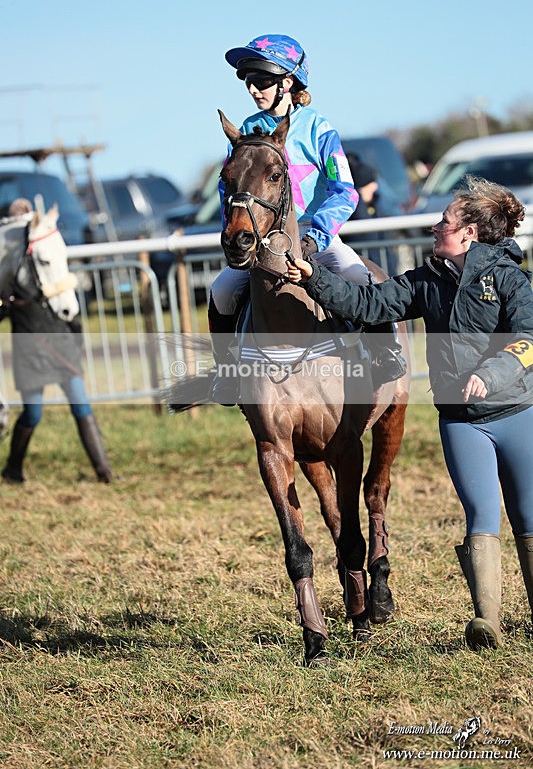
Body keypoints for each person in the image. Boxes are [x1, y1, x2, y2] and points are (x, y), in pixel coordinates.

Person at [285, 176, 533, 650]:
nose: (434, 227)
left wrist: (493, 374)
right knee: (481, 516)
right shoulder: (426, 281)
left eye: (444, 221)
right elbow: (368, 304)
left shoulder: (508, 278)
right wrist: (313, 276)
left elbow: (528, 338)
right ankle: (488, 623)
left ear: (469, 233)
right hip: (462, 420)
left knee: (528, 518)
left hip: (517, 413)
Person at [209, 33, 406, 403]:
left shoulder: (319, 128)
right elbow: (228, 190)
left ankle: (385, 352)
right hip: (262, 242)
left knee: (359, 276)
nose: (253, 89)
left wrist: (315, 236)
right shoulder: (246, 130)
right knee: (221, 290)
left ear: (288, 82)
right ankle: (227, 372)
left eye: (262, 80)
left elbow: (345, 190)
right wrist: (235, 231)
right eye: (248, 81)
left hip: (316, 237)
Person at [1, 198, 113, 484]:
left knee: (80, 404)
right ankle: (13, 469)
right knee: (33, 413)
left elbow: (66, 302)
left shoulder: (46, 247)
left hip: (59, 341)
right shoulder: (13, 266)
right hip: (29, 347)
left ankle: (104, 471)